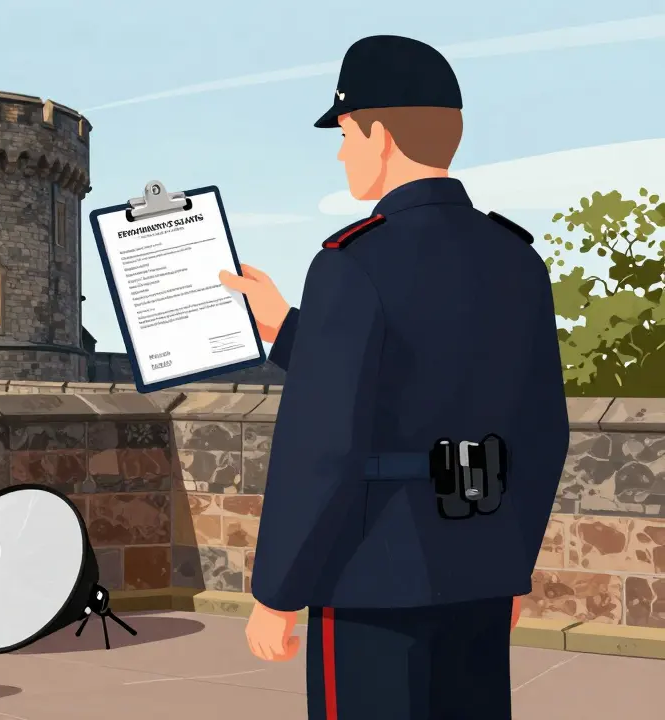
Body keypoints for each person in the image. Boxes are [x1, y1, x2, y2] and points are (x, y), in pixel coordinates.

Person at [218, 35, 570, 720]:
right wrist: (287, 327)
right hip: (481, 570)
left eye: (346, 133)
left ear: (379, 133)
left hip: (371, 581)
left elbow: (323, 447)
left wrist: (277, 592)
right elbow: (540, 430)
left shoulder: (352, 262)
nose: (344, 151)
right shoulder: (515, 259)